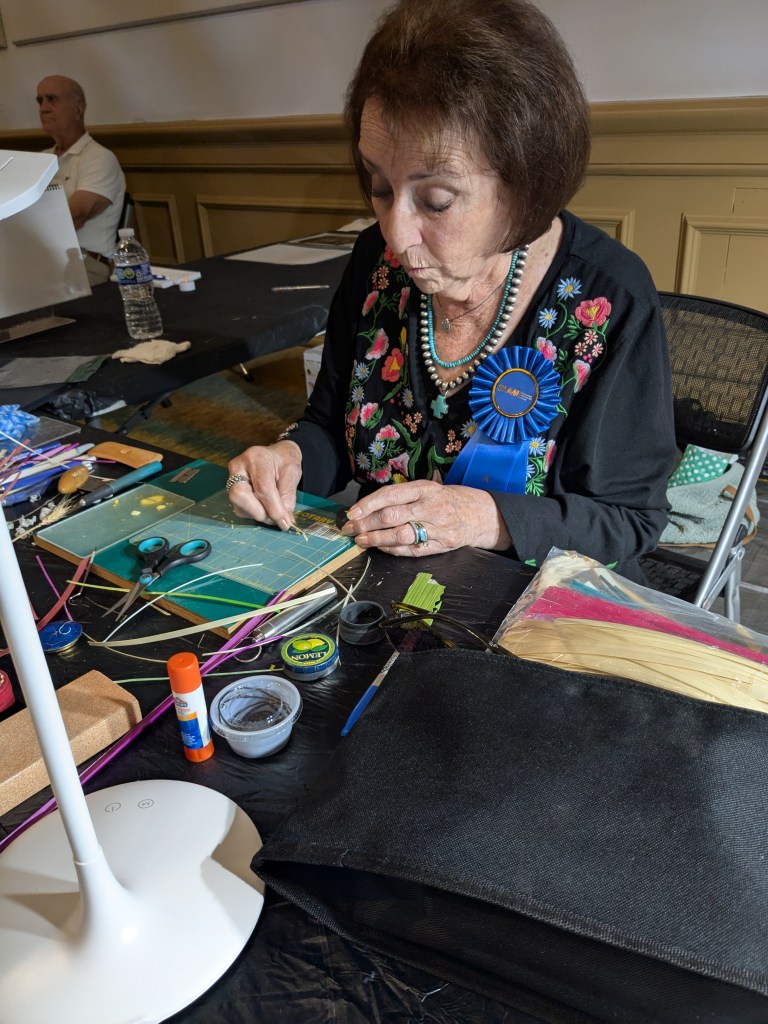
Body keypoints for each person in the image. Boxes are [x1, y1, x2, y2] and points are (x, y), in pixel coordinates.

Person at [226, 0, 676, 583]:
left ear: (525, 184)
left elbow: (630, 521)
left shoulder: (608, 298)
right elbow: (330, 424)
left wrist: (484, 518)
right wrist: (288, 456)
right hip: (385, 586)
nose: (396, 232)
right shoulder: (374, 263)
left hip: (537, 599)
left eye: (436, 200)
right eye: (380, 188)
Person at [36, 75, 126, 287]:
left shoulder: (98, 158)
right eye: (39, 101)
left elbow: (76, 215)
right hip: (43, 259)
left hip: (83, 263)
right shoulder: (40, 160)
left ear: (78, 109)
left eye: (52, 99)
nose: (44, 108)